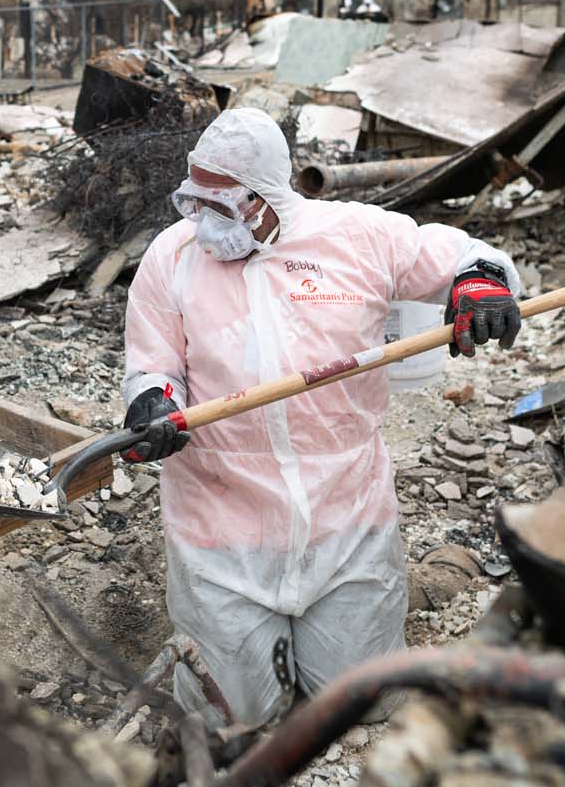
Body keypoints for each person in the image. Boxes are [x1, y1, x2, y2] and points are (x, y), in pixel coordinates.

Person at [122, 108, 524, 727]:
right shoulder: (170, 258)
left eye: (220, 206)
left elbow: (463, 255)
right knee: (233, 719)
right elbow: (153, 362)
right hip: (222, 525)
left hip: (346, 517)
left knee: (363, 706)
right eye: (193, 202)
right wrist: (154, 397)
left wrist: (481, 281)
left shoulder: (357, 237)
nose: (202, 224)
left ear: (266, 199)